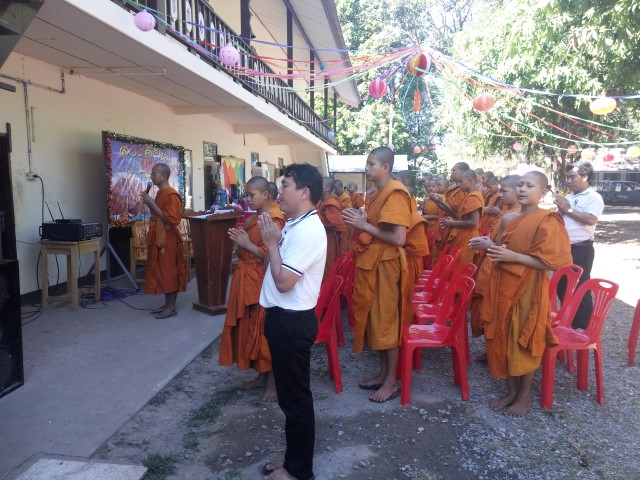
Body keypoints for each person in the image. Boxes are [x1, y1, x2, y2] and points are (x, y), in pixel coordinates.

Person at [476, 171, 572, 416]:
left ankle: (524, 395)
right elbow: (499, 250)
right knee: (502, 334)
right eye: (520, 184)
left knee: (523, 338)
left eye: (529, 186)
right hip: (501, 284)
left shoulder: (547, 220)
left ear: (543, 192)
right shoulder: (508, 218)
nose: (522, 189)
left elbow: (551, 263)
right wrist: (489, 246)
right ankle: (510, 391)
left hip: (528, 288)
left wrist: (514, 257)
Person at [258, 164, 327, 480]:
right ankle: (292, 457)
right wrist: (271, 243)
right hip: (282, 320)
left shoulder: (309, 230)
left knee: (296, 400)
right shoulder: (295, 224)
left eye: (285, 185)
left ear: (304, 192)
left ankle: (299, 471)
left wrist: (272, 244)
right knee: (290, 398)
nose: (279, 191)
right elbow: (277, 269)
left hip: (292, 322)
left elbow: (285, 282)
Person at [343, 147, 412, 403]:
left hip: (386, 264)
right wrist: (363, 219)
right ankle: (383, 374)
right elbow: (376, 225)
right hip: (373, 263)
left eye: (371, 163)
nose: (366, 168)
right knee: (376, 321)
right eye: (367, 163)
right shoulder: (378, 193)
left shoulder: (396, 192)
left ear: (386, 167)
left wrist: (363, 225)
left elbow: (399, 238)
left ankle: (391, 382)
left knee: (386, 322)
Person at [218, 177, 285, 403]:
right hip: (246, 277)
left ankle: (273, 384)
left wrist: (246, 244)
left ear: (265, 195)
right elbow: (244, 251)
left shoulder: (274, 219)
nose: (247, 199)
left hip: (263, 280)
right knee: (250, 330)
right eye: (246, 195)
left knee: (265, 332)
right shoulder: (254, 219)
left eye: (251, 195)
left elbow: (271, 256)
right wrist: (240, 245)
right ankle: (260, 376)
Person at [554, 160, 604, 329]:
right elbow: (561, 217)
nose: (568, 181)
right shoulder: (569, 197)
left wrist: (568, 209)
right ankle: (568, 321)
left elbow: (591, 219)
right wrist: (559, 211)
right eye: (567, 177)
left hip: (581, 249)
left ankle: (583, 327)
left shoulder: (594, 197)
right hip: (562, 248)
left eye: (572, 177)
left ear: (585, 176)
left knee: (580, 286)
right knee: (562, 285)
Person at [469, 175, 520, 341]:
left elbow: (515, 249)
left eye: (504, 191)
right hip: (491, 263)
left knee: (499, 310)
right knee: (487, 307)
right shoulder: (507, 214)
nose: (501, 195)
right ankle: (491, 347)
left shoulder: (518, 216)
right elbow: (498, 240)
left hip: (504, 268)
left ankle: (500, 350)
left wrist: (489, 245)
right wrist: (487, 241)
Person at [140, 163, 187, 319]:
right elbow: (157, 214)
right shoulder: (160, 193)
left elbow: (172, 220)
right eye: (152, 174)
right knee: (161, 271)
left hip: (168, 238)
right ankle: (167, 304)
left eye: (154, 174)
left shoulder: (171, 195)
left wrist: (152, 204)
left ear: (164, 176)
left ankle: (171, 307)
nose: (151, 177)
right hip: (158, 236)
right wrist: (150, 204)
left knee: (168, 271)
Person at [439, 169, 483, 266]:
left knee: (460, 268)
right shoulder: (469, 196)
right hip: (462, 236)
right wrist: (452, 221)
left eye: (461, 181)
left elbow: (473, 222)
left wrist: (453, 223)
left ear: (470, 181)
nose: (459, 185)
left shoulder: (474, 197)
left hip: (467, 238)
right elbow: (463, 218)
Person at [429, 162, 470, 262]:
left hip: (454, 227)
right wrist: (437, 201)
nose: (451, 172)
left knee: (451, 259)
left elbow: (456, 214)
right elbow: (446, 208)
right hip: (445, 225)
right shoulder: (454, 189)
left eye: (454, 170)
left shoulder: (463, 191)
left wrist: (440, 202)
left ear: (462, 172)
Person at [317, 177, 347, 277]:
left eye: (319, 185)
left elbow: (339, 225)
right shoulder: (322, 201)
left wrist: (320, 219)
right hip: (322, 237)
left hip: (330, 239)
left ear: (327, 188)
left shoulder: (330, 203)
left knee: (328, 266)